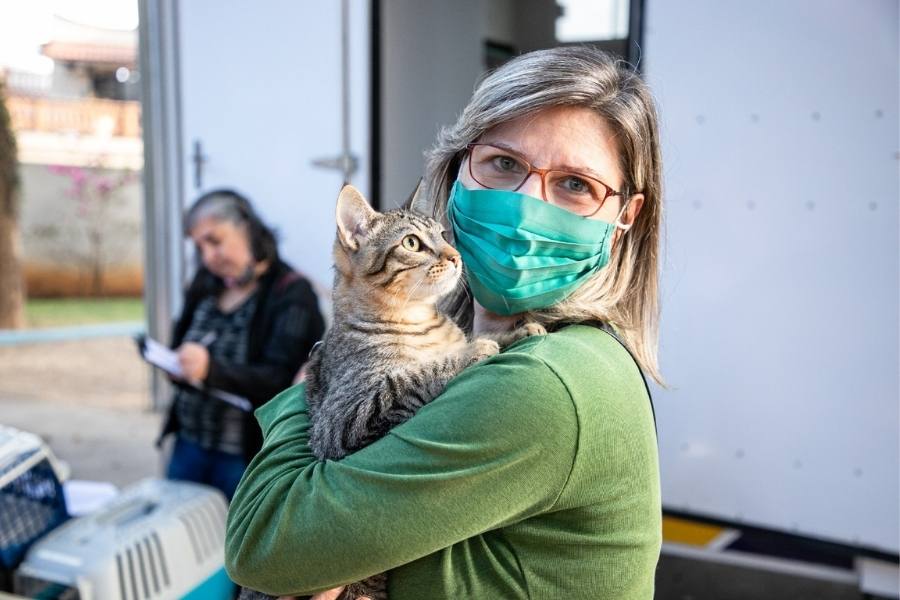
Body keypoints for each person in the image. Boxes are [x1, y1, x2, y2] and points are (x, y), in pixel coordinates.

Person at [225, 46, 663, 599]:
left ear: (625, 218)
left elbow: (262, 545)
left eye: (575, 184)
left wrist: (313, 379)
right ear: (457, 175)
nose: (526, 206)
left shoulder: (545, 383)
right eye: (505, 164)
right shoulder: (483, 344)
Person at [157, 189, 325, 501]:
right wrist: (175, 365)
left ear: (247, 229)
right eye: (199, 247)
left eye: (215, 241)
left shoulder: (292, 293)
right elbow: (179, 342)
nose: (207, 257)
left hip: (244, 457)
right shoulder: (205, 282)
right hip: (188, 443)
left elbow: (281, 381)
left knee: (236, 532)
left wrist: (209, 370)